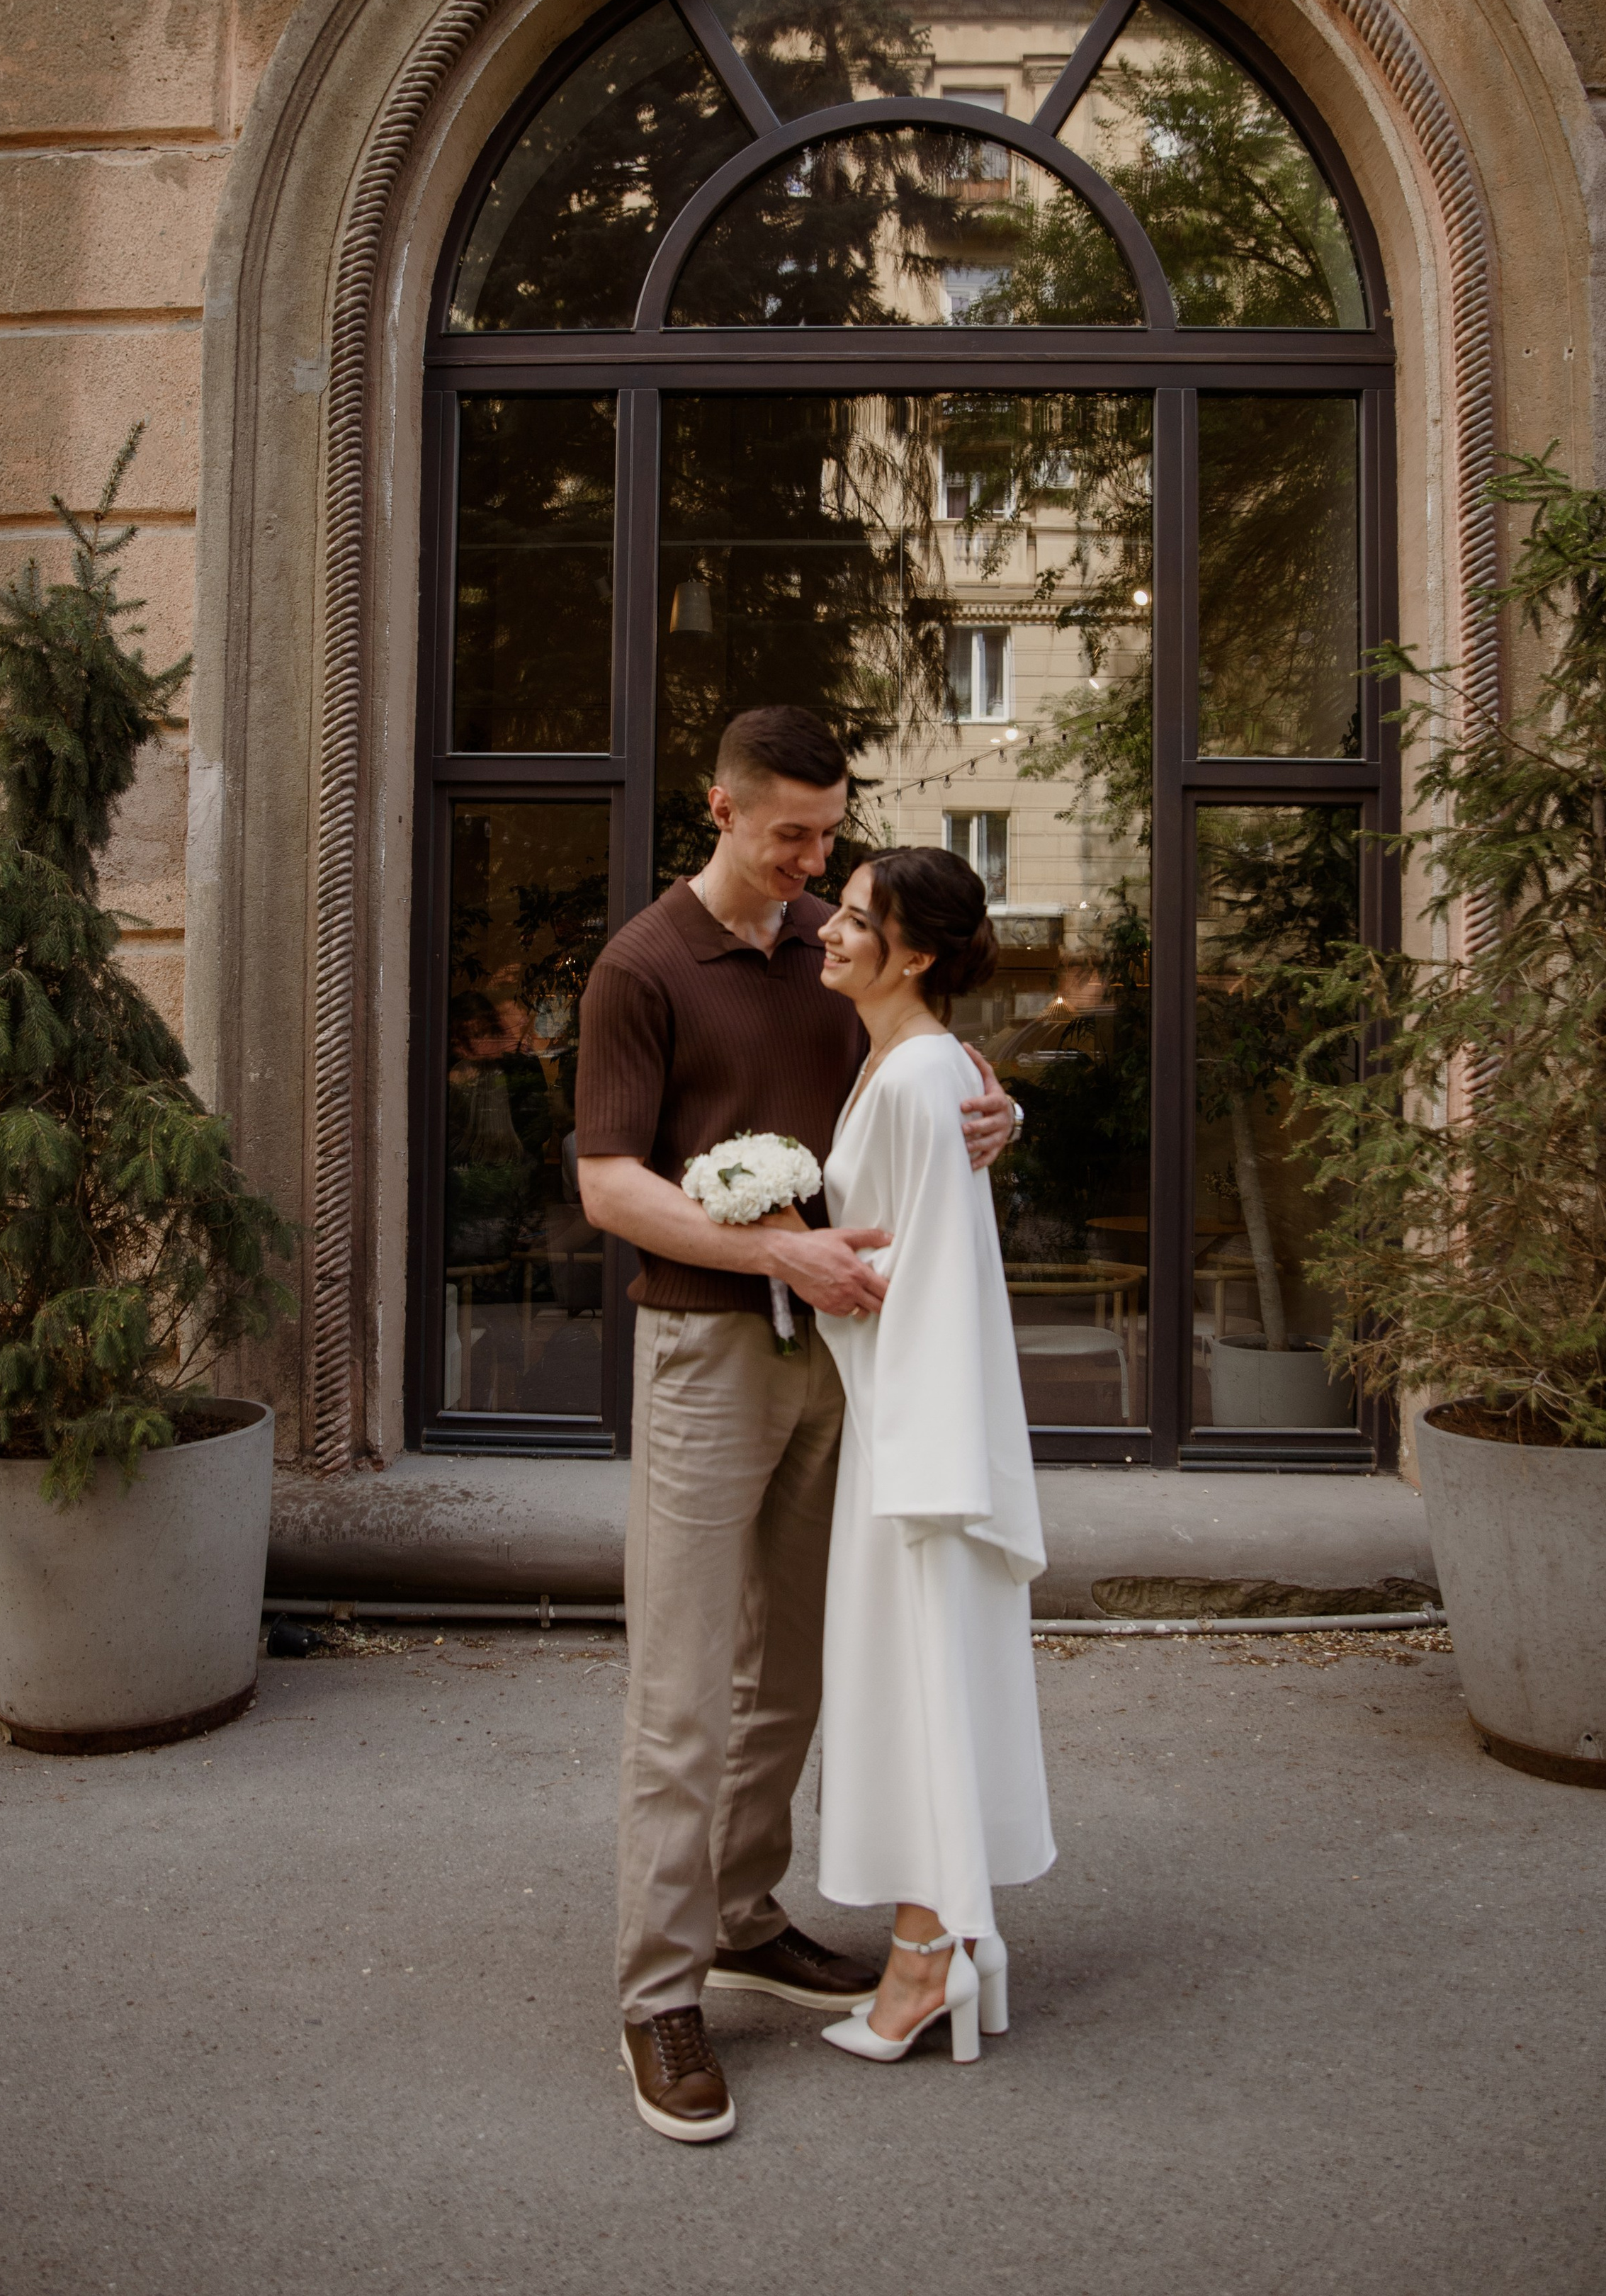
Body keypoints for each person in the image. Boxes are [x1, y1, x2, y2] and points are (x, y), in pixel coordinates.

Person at [575, 707, 1017, 2144]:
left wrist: (996, 1118)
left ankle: (743, 1915)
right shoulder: (641, 966)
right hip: (709, 1350)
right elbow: (608, 1185)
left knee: (795, 1672)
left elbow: (919, 1080)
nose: (816, 865)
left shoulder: (841, 947)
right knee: (684, 1689)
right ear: (720, 808)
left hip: (843, 1356)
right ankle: (659, 1993)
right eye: (791, 836)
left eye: (830, 837)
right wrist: (775, 1251)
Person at [811, 845, 1055, 2065]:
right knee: (921, 1686)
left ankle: (927, 1956)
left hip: (916, 1437)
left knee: (915, 1690)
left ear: (913, 955)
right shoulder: (914, 1062)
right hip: (907, 1420)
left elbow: (939, 1264)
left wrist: (816, 1265)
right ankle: (958, 1937)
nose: (830, 927)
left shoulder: (917, 1077)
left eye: (856, 918)